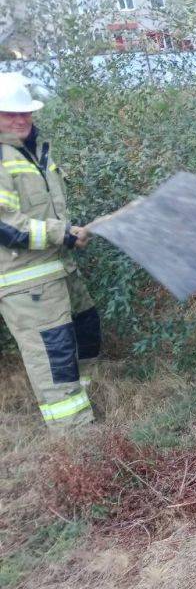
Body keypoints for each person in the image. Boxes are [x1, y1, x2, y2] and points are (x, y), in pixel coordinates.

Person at [0, 73, 101, 429]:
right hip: (24, 282)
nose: (20, 120)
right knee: (52, 354)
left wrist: (67, 236)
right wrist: (64, 234)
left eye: (24, 113)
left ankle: (81, 399)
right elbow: (7, 227)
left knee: (85, 328)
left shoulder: (33, 150)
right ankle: (75, 434)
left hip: (57, 269)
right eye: (9, 114)